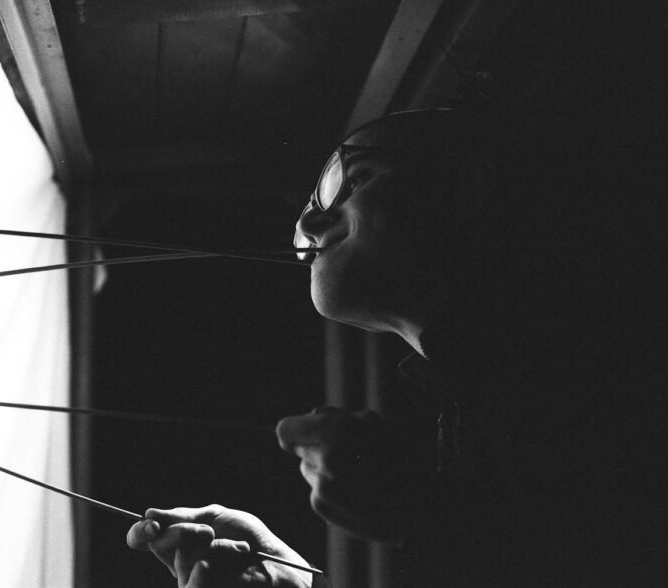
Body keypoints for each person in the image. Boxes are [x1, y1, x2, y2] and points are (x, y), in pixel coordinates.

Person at [126, 108, 667, 587]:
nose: (310, 223)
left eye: (355, 179)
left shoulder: (615, 380)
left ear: (463, 186)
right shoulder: (485, 401)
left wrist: (435, 512)